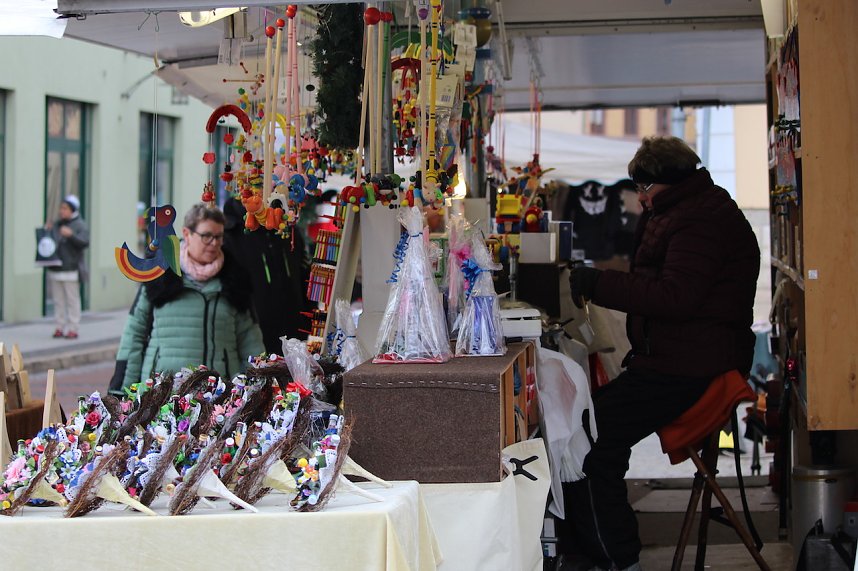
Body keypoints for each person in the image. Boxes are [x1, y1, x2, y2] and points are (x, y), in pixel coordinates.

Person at [563, 136, 760, 571]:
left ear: (661, 183)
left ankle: (614, 558)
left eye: (643, 189)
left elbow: (676, 296)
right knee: (588, 428)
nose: (639, 198)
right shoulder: (692, 210)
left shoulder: (697, 221)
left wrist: (600, 284)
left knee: (586, 439)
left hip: (690, 367)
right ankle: (597, 549)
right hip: (681, 360)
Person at [108, 203, 264, 395]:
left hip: (219, 397)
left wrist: (257, 388)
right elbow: (134, 334)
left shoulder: (235, 282)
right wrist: (121, 390)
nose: (214, 243)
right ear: (187, 234)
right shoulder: (159, 277)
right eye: (206, 236)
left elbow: (250, 339)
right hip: (162, 394)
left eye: (218, 237)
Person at [222, 197, 311, 353]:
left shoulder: (287, 230)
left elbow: (304, 278)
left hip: (296, 334)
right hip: (254, 338)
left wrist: (309, 322)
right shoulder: (230, 236)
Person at [45, 195, 89, 339]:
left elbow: (84, 242)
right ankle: (59, 326)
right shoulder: (57, 224)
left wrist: (71, 236)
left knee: (72, 300)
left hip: (71, 268)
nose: (61, 211)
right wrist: (48, 231)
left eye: (65, 208)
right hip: (56, 268)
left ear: (72, 210)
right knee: (58, 301)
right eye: (61, 208)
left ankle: (73, 328)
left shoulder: (80, 225)